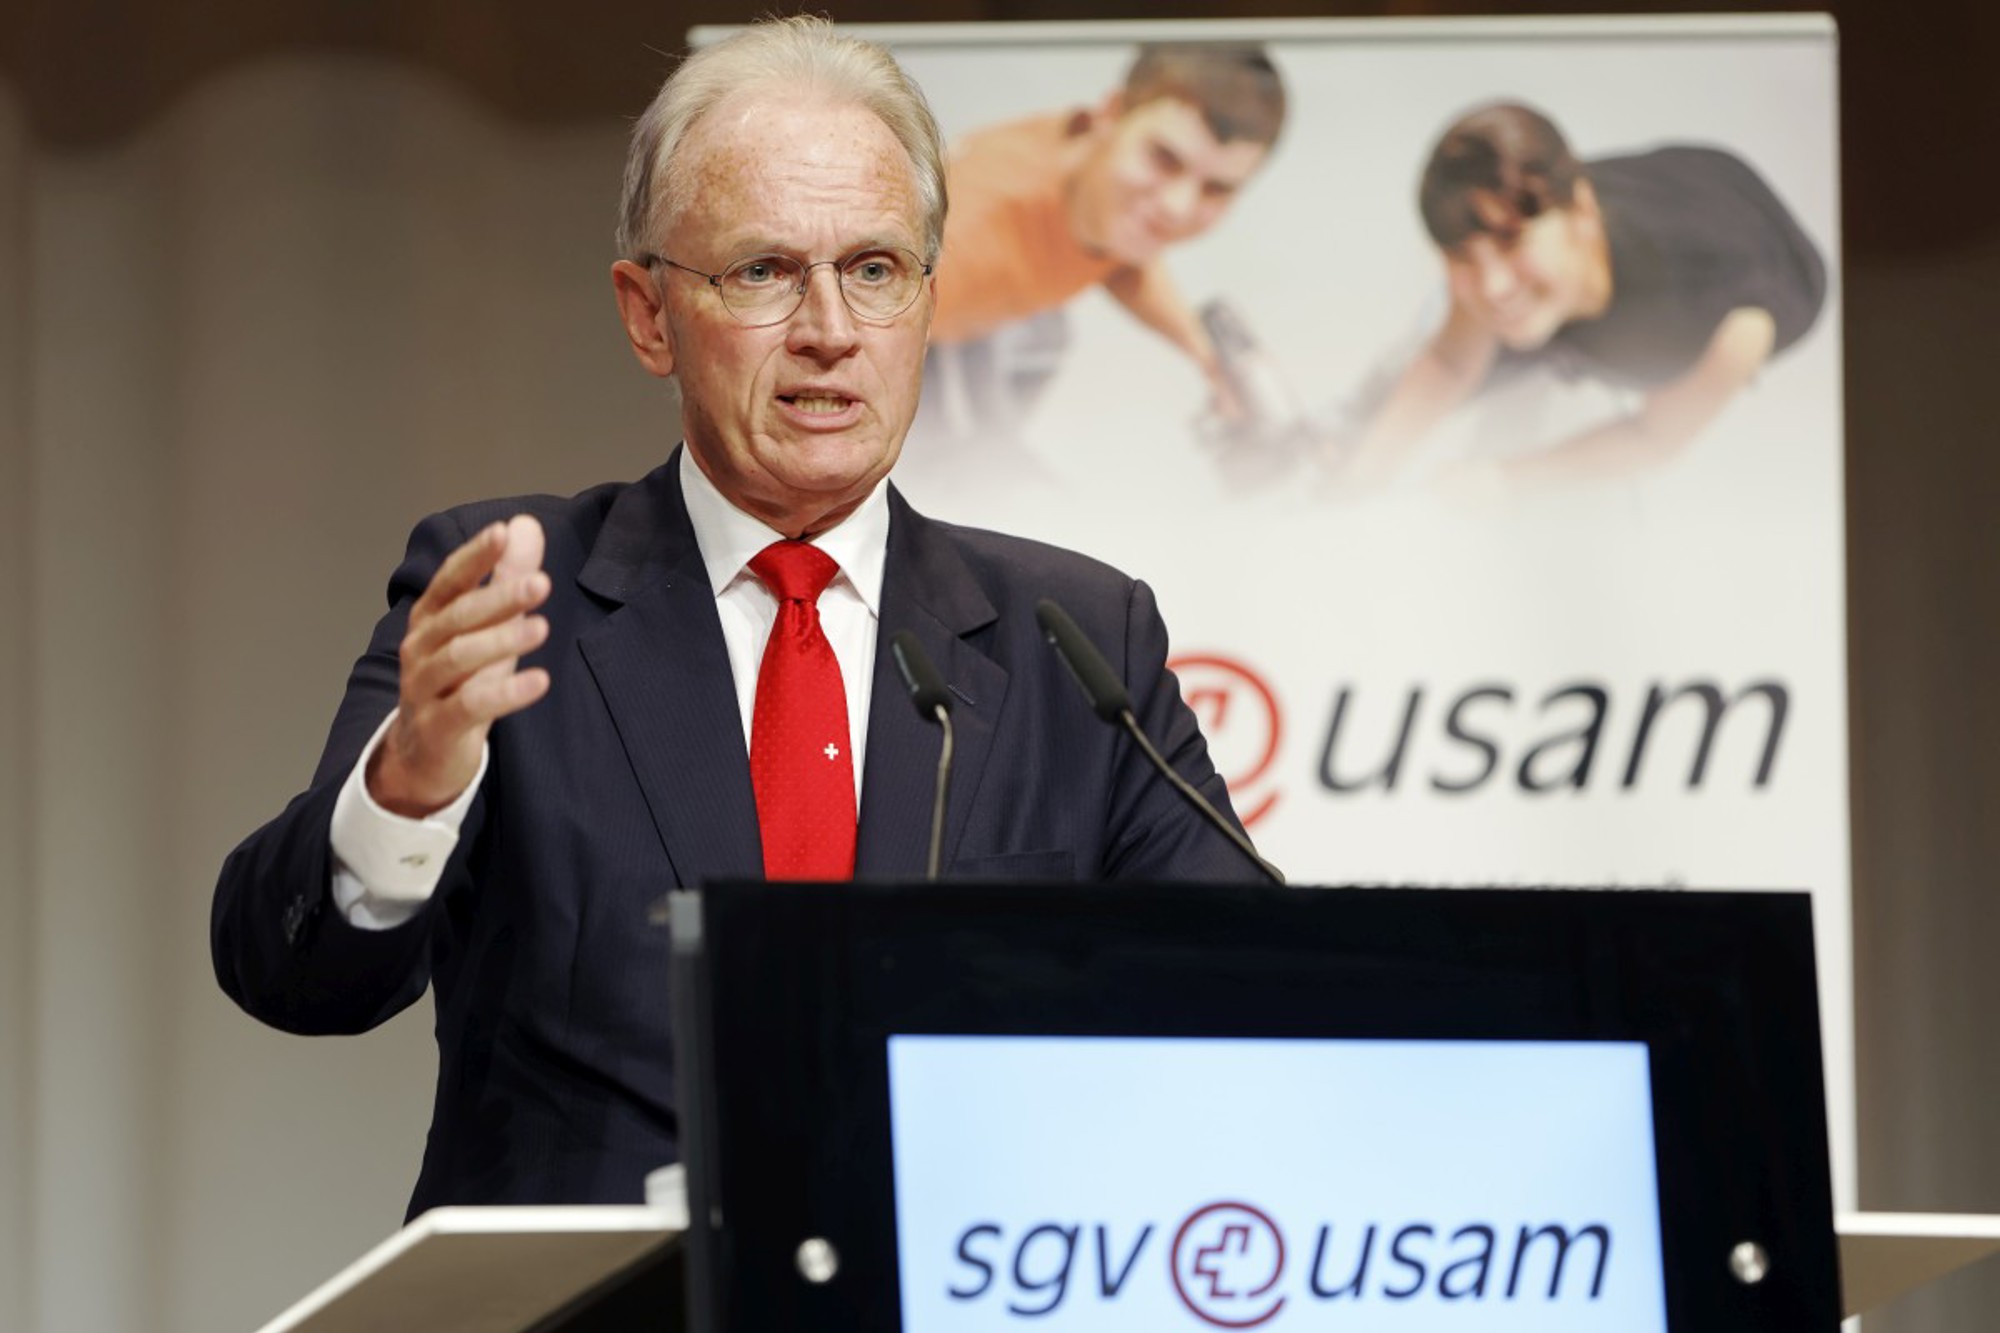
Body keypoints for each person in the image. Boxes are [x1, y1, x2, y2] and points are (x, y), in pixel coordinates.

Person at [209, 16, 1262, 1218]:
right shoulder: (513, 594)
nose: (830, 330)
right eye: (763, 271)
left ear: (927, 300)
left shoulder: (1072, 640)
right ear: (648, 315)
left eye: (875, 269)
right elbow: (293, 975)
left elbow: (1253, 996)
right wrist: (406, 787)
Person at [1332, 101, 1826, 494]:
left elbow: (1652, 439)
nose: (1492, 286)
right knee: (1415, 362)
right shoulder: (1500, 229)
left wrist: (1507, 478)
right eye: (1462, 255)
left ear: (1583, 213)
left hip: (1744, 264)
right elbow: (1449, 363)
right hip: (1656, 203)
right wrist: (1364, 474)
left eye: (1509, 242)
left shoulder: (1733, 320)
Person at [913, 43, 1286, 451]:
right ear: (1111, 112)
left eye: (1216, 189)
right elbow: (869, 328)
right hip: (922, 334)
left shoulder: (1102, 186)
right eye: (1164, 158)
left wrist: (1208, 358)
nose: (1176, 206)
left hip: (972, 314)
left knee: (1047, 336)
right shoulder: (971, 238)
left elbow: (1122, 260)